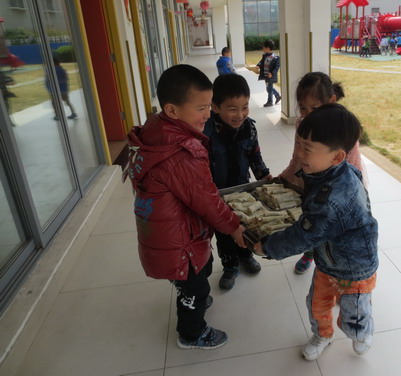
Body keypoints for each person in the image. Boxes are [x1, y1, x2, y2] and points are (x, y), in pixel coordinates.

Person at [124, 64, 245, 350]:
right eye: (201, 108)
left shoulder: (156, 129)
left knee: (200, 269)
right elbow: (206, 199)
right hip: (178, 240)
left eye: (209, 106)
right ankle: (191, 333)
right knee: (197, 286)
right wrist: (234, 227)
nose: (208, 114)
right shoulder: (182, 154)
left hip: (165, 229)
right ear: (172, 110)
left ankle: (189, 291)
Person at [249, 104, 379, 361]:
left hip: (355, 268)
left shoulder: (334, 200)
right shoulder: (327, 172)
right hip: (328, 262)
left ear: (337, 157)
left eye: (307, 148)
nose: (300, 153)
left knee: (354, 314)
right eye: (299, 144)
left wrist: (268, 247)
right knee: (316, 304)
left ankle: (362, 332)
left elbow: (304, 236)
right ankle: (323, 334)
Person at [279, 72, 368, 275]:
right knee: (312, 221)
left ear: (331, 101)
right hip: (312, 182)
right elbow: (298, 157)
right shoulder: (302, 124)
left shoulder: (342, 129)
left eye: (315, 108)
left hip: (339, 189)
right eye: (303, 108)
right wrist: (285, 177)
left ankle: (333, 264)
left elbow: (352, 168)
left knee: (332, 227)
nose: (308, 114)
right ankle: (310, 253)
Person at [203, 73, 271, 290]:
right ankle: (230, 265)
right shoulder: (205, 133)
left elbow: (255, 156)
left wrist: (264, 176)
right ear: (215, 107)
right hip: (217, 195)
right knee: (224, 233)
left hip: (243, 190)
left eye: (245, 107)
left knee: (246, 226)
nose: (240, 115)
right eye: (232, 109)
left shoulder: (249, 128)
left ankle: (245, 256)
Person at [46, 56, 78, 121]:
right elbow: (66, 79)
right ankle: (73, 113)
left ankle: (57, 115)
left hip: (54, 90)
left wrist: (48, 87)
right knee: (67, 101)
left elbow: (47, 80)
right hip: (64, 89)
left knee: (54, 103)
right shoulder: (62, 70)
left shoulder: (49, 71)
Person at [256, 39, 281, 107]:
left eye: (263, 47)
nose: (263, 49)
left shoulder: (275, 58)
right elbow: (261, 62)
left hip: (270, 76)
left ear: (267, 48)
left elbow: (276, 68)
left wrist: (272, 73)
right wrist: (258, 65)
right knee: (268, 88)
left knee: (269, 88)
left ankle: (270, 101)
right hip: (265, 75)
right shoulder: (265, 55)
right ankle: (277, 96)